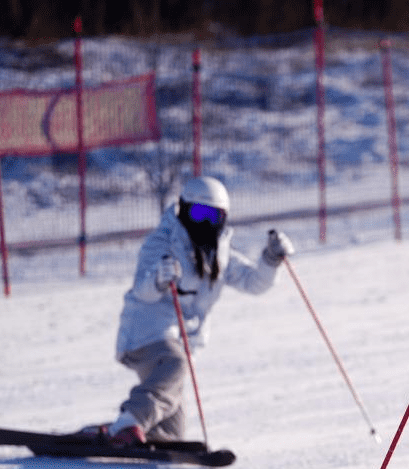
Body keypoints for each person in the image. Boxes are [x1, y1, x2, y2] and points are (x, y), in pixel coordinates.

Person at [104, 175, 294, 447]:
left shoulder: (219, 253)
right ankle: (130, 421)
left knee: (172, 431)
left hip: (180, 345)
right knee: (177, 364)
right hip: (145, 336)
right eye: (199, 213)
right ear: (183, 209)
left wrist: (270, 260)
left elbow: (253, 282)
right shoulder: (162, 243)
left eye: (213, 216)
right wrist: (158, 278)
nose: (205, 223)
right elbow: (140, 290)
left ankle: (124, 430)